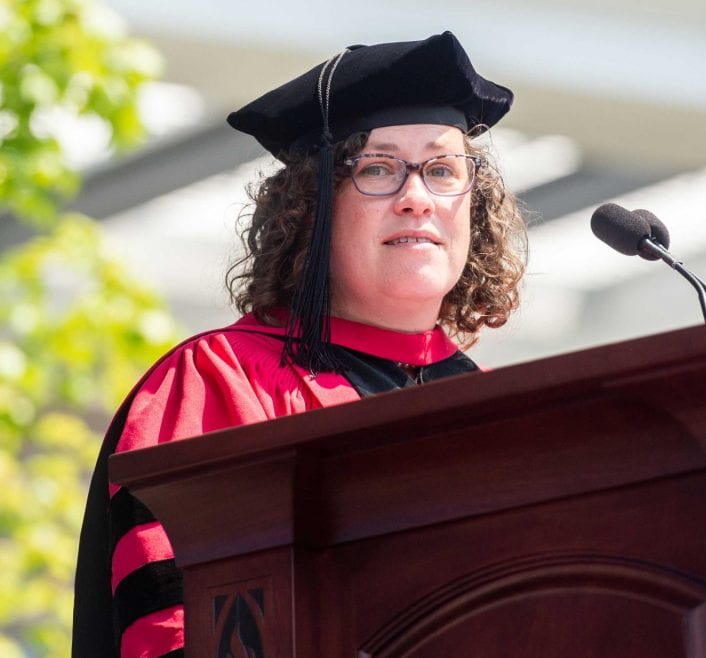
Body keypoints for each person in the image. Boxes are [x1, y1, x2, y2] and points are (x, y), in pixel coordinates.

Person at [72, 32, 526, 657]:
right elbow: (177, 632)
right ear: (312, 209)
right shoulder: (219, 380)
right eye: (377, 168)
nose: (417, 198)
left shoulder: (497, 409)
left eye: (444, 170)